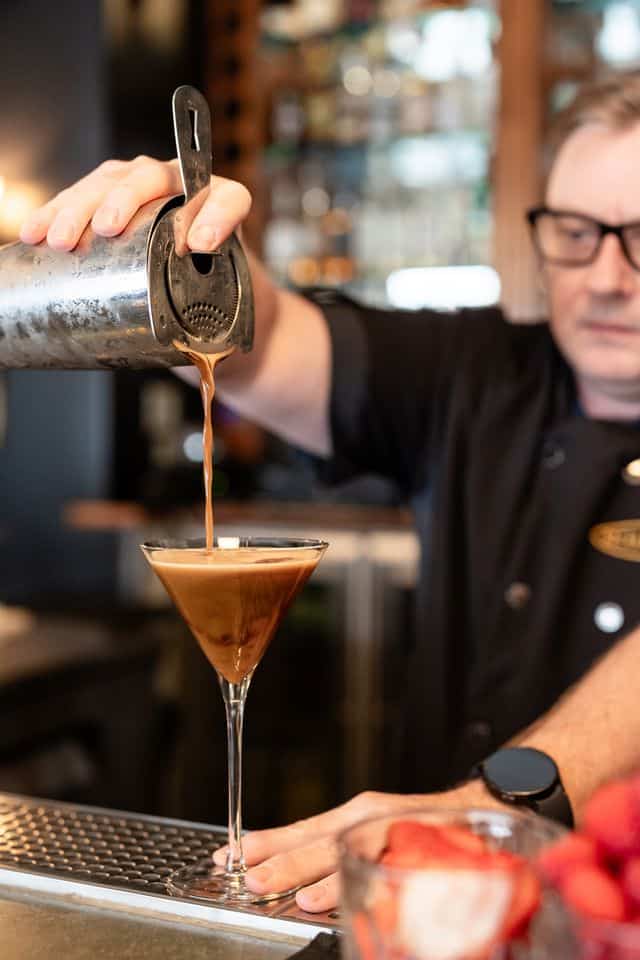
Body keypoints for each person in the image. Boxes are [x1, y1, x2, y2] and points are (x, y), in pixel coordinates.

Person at [18, 70, 640, 910]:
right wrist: (182, 253)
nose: (606, 276)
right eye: (574, 232)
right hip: (416, 906)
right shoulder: (476, 372)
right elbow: (264, 343)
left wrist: (497, 811)